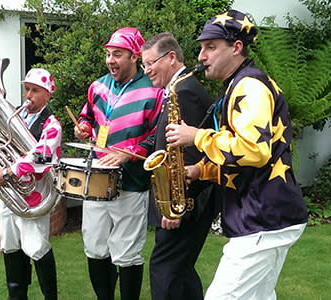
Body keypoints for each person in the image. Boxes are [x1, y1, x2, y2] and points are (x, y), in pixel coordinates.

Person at [165, 10, 308, 300]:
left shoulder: (249, 86)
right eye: (202, 47)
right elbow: (244, 157)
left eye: (211, 47)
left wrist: (196, 136)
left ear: (237, 47)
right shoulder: (238, 85)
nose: (201, 56)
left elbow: (254, 150)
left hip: (263, 217)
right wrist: (199, 171)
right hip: (267, 215)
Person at [73, 27, 163, 300]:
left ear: (135, 56)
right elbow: (86, 117)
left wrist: (128, 153)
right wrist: (82, 128)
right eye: (109, 54)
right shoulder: (97, 86)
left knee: (126, 251)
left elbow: (157, 137)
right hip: (97, 178)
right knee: (95, 246)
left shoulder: (154, 90)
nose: (111, 60)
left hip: (133, 182)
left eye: (118, 54)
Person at [140, 32, 218, 300]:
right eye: (144, 65)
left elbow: (195, 154)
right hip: (182, 201)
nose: (147, 70)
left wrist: (177, 207)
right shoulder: (178, 89)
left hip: (185, 203)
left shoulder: (184, 91)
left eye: (151, 63)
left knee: (165, 271)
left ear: (171, 58)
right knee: (181, 272)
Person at [0, 68, 62, 300]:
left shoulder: (52, 125)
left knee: (36, 247)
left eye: (35, 91)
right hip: (10, 194)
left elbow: (43, 157)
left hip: (34, 195)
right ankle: (16, 295)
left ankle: (50, 296)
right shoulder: (15, 118)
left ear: (47, 94)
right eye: (27, 89)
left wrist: (8, 171)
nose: (28, 95)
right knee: (9, 244)